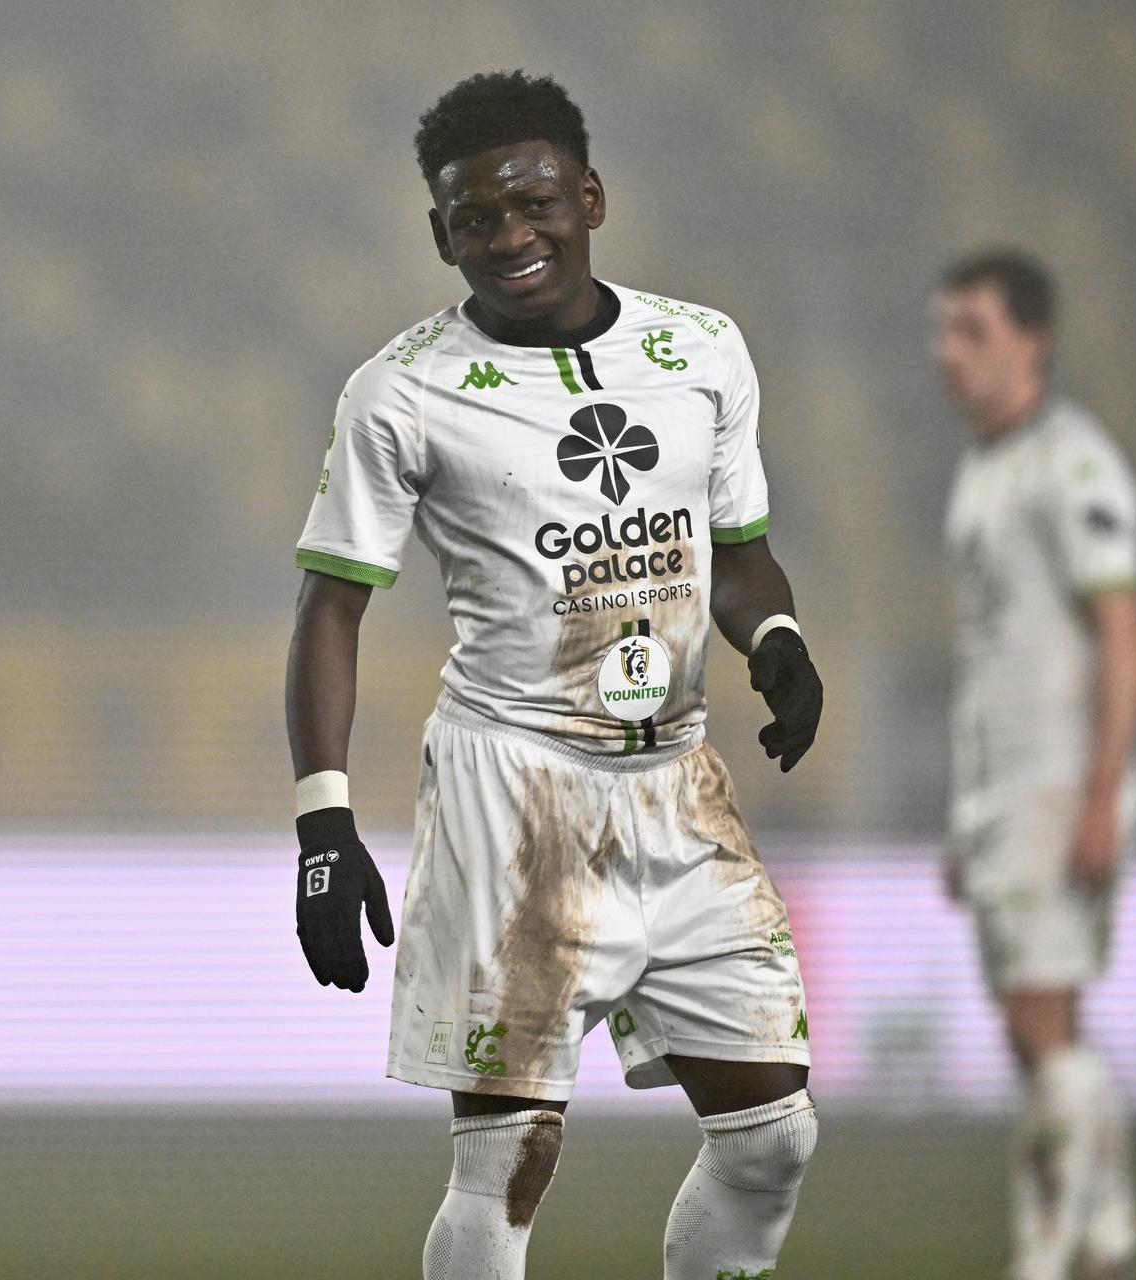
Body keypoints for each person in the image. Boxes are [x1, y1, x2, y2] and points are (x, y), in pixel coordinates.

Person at [284, 70, 825, 1280]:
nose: (510, 235)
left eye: (533, 203)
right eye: (475, 219)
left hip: (678, 781)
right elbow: (331, 606)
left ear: (588, 196)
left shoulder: (701, 351)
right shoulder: (402, 392)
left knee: (774, 1137)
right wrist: (325, 823)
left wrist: (777, 642)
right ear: (441, 234)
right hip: (512, 787)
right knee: (511, 1156)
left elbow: (740, 562)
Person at [934, 249, 1136, 1280]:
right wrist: (962, 812)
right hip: (1003, 787)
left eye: (972, 329)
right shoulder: (985, 464)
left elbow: (1123, 634)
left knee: (1041, 1019)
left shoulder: (1074, 462)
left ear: (1033, 340)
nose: (949, 352)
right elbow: (991, 657)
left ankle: (1048, 1254)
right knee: (1039, 1032)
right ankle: (1108, 1245)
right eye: (945, 329)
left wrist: (1100, 794)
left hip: (1059, 779)